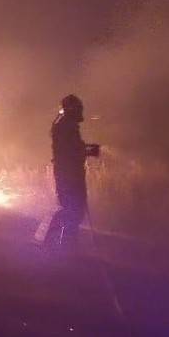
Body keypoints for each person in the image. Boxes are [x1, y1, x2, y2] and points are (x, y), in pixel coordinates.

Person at [43, 94, 99, 248]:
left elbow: (71, 148)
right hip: (69, 175)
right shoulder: (66, 126)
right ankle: (63, 243)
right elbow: (70, 152)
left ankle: (58, 241)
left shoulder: (63, 125)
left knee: (71, 209)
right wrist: (89, 151)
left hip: (67, 173)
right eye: (78, 108)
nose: (81, 111)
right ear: (72, 109)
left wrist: (86, 150)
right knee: (74, 209)